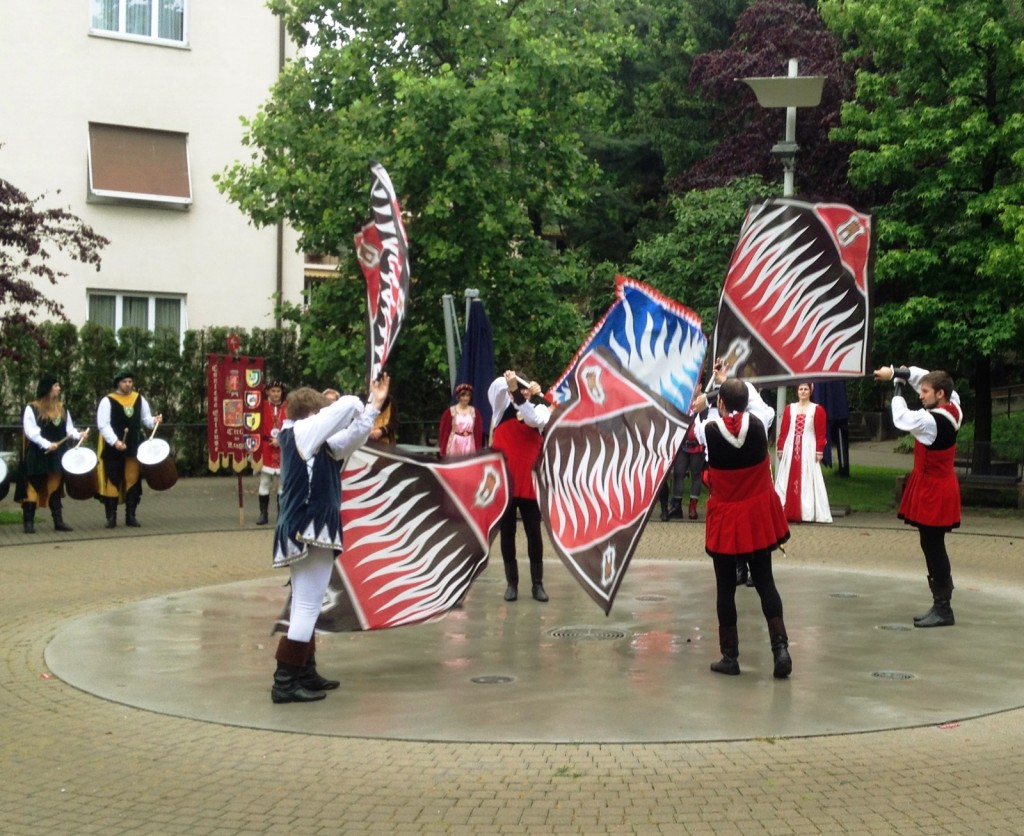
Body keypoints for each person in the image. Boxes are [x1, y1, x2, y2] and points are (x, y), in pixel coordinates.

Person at [270, 374, 390, 704]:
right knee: (308, 604)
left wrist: (374, 404)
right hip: (308, 528)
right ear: (313, 414)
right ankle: (285, 681)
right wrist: (351, 402)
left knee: (306, 604)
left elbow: (353, 436)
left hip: (308, 527)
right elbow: (348, 406)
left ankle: (303, 671)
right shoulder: (302, 431)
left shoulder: (315, 441)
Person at [693, 378, 792, 678]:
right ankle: (780, 649)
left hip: (726, 519)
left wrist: (703, 405)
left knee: (725, 589)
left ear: (720, 404)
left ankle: (730, 656)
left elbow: (701, 426)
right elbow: (761, 408)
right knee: (765, 583)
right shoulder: (760, 424)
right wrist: (732, 385)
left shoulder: (708, 430)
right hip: (756, 517)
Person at [874, 364, 962, 628]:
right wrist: (897, 371)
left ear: (940, 394)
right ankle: (940, 604)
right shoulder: (954, 405)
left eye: (925, 392)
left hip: (934, 489)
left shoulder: (929, 420)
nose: (921, 395)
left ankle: (943, 608)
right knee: (930, 543)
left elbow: (900, 417)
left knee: (933, 545)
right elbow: (920, 375)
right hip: (937, 484)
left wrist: (897, 384)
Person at [488, 370, 551, 603]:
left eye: (525, 388)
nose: (520, 391)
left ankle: (537, 584)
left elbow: (536, 420)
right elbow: (495, 388)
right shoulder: (500, 408)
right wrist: (509, 382)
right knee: (507, 534)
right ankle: (511, 583)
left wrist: (522, 394)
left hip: (530, 485)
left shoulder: (539, 409)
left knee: (534, 533)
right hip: (506, 483)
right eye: (517, 387)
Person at [17, 374, 89, 533]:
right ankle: (28, 522)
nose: (59, 388)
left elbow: (69, 429)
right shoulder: (32, 408)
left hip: (58, 454)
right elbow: (31, 432)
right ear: (48, 389)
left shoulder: (62, 407)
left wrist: (79, 435)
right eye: (56, 386)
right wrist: (47, 444)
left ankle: (58, 521)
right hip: (38, 453)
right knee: (33, 486)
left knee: (55, 486)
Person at [96, 369, 161, 529]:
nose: (128, 384)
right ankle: (111, 517)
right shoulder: (108, 400)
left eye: (130, 381)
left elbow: (145, 419)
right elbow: (103, 424)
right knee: (113, 480)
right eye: (125, 381)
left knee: (132, 480)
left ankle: (130, 516)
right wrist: (115, 441)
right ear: (118, 383)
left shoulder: (139, 398)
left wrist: (155, 420)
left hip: (133, 447)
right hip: (114, 448)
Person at [774, 382, 832, 524]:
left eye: (806, 389)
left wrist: (819, 450)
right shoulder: (790, 409)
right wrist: (781, 447)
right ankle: (783, 509)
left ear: (810, 391)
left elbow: (820, 433)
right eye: (801, 389)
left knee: (807, 477)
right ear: (797, 391)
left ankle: (806, 512)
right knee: (785, 478)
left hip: (808, 447)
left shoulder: (816, 410)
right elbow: (784, 430)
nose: (803, 392)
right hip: (790, 447)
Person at [660, 413, 707, 521]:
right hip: (683, 446)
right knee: (678, 474)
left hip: (697, 446)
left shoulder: (703, 406)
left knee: (696, 476)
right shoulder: (684, 402)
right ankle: (677, 507)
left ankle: (692, 508)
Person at [255, 381, 287, 526]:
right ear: (268, 392)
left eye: (278, 391)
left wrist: (281, 440)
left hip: (283, 448)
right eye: (273, 391)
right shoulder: (261, 406)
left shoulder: (288, 407)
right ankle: (263, 514)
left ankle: (281, 515)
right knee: (265, 481)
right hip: (266, 447)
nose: (275, 394)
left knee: (282, 483)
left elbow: (292, 426)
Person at [439, 383, 483, 457]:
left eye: (468, 395)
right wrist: (443, 448)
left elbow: (478, 431)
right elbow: (444, 431)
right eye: (463, 395)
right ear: (458, 397)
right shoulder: (450, 412)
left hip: (470, 442)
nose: (466, 398)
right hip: (455, 443)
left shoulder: (474, 412)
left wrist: (478, 448)